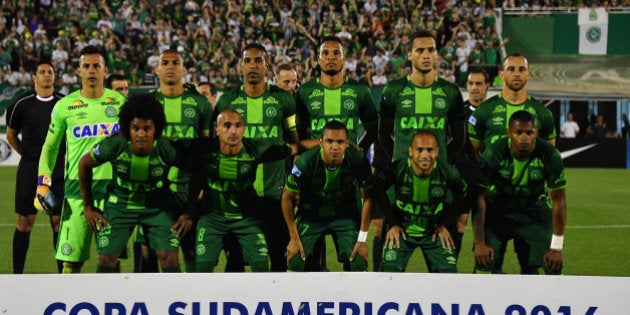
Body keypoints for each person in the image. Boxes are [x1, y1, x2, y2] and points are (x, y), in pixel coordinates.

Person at [378, 30, 465, 270]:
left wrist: (439, 162)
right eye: (420, 50)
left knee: (444, 256)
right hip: (400, 184)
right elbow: (384, 134)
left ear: (437, 54)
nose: (426, 55)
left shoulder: (450, 92)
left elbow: (458, 138)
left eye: (430, 50)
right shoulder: (393, 90)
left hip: (440, 185)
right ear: (409, 55)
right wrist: (400, 162)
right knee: (391, 245)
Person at [36, 45, 126, 273]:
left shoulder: (120, 103)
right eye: (86, 66)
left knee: (111, 261)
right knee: (71, 263)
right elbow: (50, 147)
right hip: (77, 192)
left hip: (113, 193)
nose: (91, 70)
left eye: (97, 66)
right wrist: (42, 181)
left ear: (105, 71)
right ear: (78, 71)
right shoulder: (64, 106)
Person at [78, 94, 191, 273]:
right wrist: (88, 206)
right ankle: (106, 299)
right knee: (106, 259)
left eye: (147, 128)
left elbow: (195, 171)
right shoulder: (115, 144)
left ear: (156, 129)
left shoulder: (166, 148)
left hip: (157, 206)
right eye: (135, 128)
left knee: (169, 258)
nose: (141, 134)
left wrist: (188, 213)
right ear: (127, 129)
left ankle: (173, 300)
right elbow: (84, 164)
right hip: (120, 205)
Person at [193, 109, 315, 272]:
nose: (233, 131)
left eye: (238, 126)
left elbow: (295, 148)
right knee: (202, 268)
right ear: (217, 129)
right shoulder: (204, 150)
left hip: (247, 220)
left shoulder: (254, 149)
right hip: (212, 220)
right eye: (227, 126)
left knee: (260, 266)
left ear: (244, 129)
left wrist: (324, 141)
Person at [296, 35, 379, 271]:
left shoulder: (359, 91)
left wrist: (359, 148)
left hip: (348, 181)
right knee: (307, 259)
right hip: (313, 178)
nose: (331, 58)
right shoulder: (305, 92)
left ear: (345, 58)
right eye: (325, 53)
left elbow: (373, 127)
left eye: (336, 53)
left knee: (354, 257)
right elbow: (299, 136)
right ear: (318, 58)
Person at [214, 43, 299, 272]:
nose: (253, 65)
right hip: (237, 196)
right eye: (248, 61)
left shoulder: (284, 100)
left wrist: (295, 183)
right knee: (236, 260)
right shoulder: (227, 102)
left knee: (278, 257)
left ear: (267, 66)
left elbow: (295, 143)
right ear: (241, 66)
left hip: (275, 194)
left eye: (258, 60)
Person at [472, 110, 567, 275]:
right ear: (509, 133)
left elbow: (559, 200)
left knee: (553, 265)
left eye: (529, 132)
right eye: (519, 132)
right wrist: (479, 242)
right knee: (484, 264)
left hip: (534, 212)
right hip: (499, 211)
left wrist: (557, 247)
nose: (524, 137)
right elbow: (479, 196)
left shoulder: (550, 155)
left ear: (536, 133)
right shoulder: (494, 153)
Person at [282, 120, 374, 272]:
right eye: (329, 141)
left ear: (347, 144)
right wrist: (293, 238)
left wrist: (362, 239)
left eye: (340, 142)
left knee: (358, 260)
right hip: (312, 215)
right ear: (321, 142)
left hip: (345, 215)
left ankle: (354, 296)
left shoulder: (358, 160)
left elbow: (369, 198)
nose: (334, 146)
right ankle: (297, 296)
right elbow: (287, 197)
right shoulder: (306, 162)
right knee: (296, 258)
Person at [151, 48, 213, 273]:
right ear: (157, 69)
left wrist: (202, 190)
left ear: (183, 69)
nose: (169, 66)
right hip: (156, 192)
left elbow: (207, 150)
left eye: (175, 62)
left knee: (192, 251)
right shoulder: (149, 103)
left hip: (190, 191)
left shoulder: (200, 104)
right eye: (164, 62)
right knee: (159, 254)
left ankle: (194, 301)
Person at [375, 130, 466, 272]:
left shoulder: (447, 172)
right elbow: (378, 190)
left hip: (433, 233)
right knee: (390, 272)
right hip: (403, 232)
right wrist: (392, 224)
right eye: (420, 150)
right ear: (411, 151)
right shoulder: (398, 168)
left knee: (448, 274)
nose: (425, 155)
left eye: (430, 150)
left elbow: (462, 193)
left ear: (437, 152)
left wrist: (444, 224)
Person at [6, 62, 65, 274]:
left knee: (58, 222)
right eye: (42, 72)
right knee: (25, 221)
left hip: (58, 169)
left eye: (50, 72)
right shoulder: (21, 104)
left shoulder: (64, 103)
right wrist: (27, 155)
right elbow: (11, 135)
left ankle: (63, 276)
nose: (47, 75)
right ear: (34, 77)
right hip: (30, 169)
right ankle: (17, 276)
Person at [468, 53, 556, 162]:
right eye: (511, 69)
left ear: (528, 74)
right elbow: (472, 154)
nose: (517, 74)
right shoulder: (483, 111)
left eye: (522, 69)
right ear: (502, 74)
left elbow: (550, 156)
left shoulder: (543, 113)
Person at [449, 68, 491, 259]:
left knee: (487, 227)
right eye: (471, 83)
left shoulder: (494, 112)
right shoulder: (459, 114)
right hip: (465, 179)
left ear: (487, 86)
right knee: (460, 222)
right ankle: (451, 271)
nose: (474, 88)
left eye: (479, 84)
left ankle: (483, 270)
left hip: (489, 180)